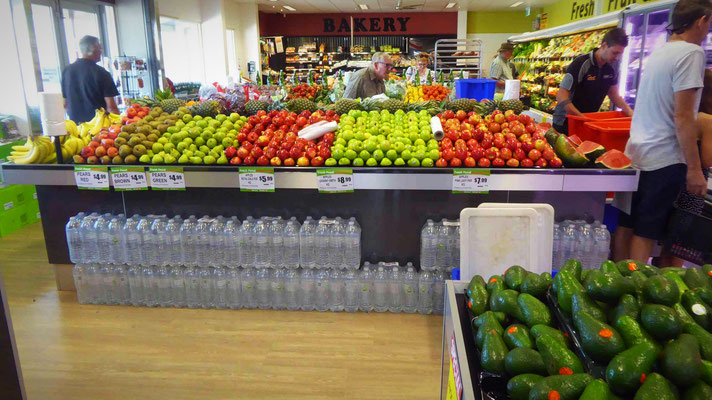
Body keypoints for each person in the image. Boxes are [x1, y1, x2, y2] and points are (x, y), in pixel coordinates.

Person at [612, 0, 711, 266]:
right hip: (664, 158)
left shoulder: (658, 53)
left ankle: (618, 284)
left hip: (636, 153)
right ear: (702, 20)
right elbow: (682, 116)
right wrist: (694, 169)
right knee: (647, 230)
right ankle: (635, 292)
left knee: (627, 224)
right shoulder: (692, 54)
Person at [552, 28, 633, 134]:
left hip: (587, 122)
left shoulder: (611, 68)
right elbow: (561, 96)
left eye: (620, 54)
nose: (617, 57)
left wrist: (629, 111)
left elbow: (614, 95)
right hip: (566, 122)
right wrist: (582, 118)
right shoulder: (581, 64)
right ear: (604, 46)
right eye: (615, 53)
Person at [61, 35, 119, 123]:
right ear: (93, 49)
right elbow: (111, 107)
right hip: (99, 128)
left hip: (76, 128)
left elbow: (65, 104)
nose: (101, 52)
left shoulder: (67, 71)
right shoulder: (101, 73)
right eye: (100, 48)